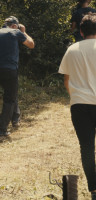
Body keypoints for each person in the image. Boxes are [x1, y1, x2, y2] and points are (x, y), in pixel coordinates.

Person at [59, 13, 96, 200]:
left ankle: (94, 190)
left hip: (80, 105)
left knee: (87, 147)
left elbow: (67, 81)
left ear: (81, 31)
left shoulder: (72, 50)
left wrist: (75, 96)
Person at [0, 16, 34, 136]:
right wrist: (24, 31)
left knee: (11, 92)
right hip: (10, 70)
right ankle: (1, 129)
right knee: (10, 99)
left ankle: (15, 119)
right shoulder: (15, 32)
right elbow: (31, 45)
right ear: (14, 25)